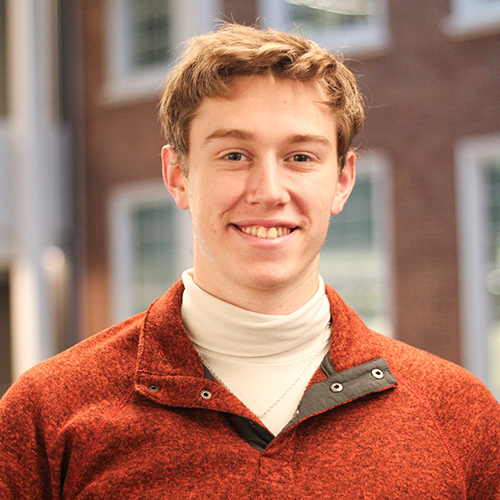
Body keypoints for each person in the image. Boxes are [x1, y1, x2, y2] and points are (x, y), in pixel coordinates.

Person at [1, 23, 499, 499]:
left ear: (343, 180)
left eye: (300, 157)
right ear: (177, 175)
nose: (268, 192)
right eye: (234, 155)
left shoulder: (459, 415)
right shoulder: (46, 414)